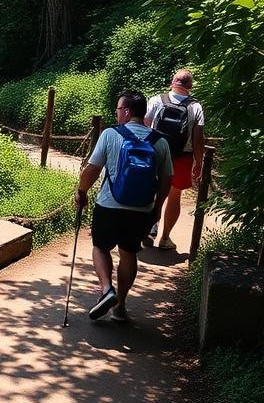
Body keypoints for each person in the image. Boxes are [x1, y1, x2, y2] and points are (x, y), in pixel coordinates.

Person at [72, 91, 172, 322]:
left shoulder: (110, 134)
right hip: (141, 210)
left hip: (109, 205)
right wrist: (157, 209)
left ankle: (107, 289)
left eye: (118, 109)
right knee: (128, 253)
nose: (116, 113)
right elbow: (167, 180)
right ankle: (121, 307)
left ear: (126, 111)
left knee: (100, 247)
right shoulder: (160, 141)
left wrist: (82, 192)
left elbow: (92, 169)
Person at [143, 68, 205, 250]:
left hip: (155, 153)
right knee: (174, 195)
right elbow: (198, 137)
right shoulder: (196, 107)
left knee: (152, 191)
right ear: (190, 86)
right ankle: (165, 238)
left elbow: (144, 125)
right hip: (183, 157)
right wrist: (198, 162)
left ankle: (148, 228)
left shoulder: (156, 100)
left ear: (172, 82)